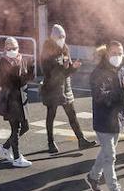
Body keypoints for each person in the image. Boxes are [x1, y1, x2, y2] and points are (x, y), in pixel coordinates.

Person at [86, 42, 124, 191]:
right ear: (107, 54)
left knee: (106, 152)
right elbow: (101, 98)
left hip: (117, 120)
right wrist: (123, 89)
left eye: (120, 52)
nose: (117, 55)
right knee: (110, 157)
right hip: (103, 121)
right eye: (113, 52)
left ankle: (93, 176)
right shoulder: (98, 73)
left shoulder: (123, 71)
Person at [39, 25, 96, 155]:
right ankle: (50, 142)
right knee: (51, 115)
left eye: (63, 36)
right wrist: (65, 68)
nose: (62, 39)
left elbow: (67, 70)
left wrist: (73, 67)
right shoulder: (47, 50)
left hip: (66, 86)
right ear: (53, 37)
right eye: (59, 37)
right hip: (52, 87)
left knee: (72, 115)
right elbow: (49, 72)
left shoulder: (65, 49)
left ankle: (81, 140)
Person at [0, 37, 34, 168]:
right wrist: (18, 76)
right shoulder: (1, 63)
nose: (12, 50)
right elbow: (3, 82)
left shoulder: (21, 59)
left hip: (22, 98)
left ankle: (5, 147)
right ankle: (17, 158)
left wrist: (31, 71)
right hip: (10, 99)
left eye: (15, 48)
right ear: (5, 49)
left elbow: (25, 79)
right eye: (9, 48)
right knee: (15, 129)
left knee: (26, 126)